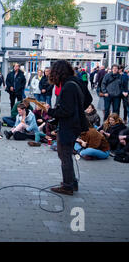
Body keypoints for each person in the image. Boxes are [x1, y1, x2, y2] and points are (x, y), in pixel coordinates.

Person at [45, 60, 92, 195]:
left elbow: (66, 111)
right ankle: (72, 182)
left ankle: (68, 186)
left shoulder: (67, 87)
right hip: (75, 124)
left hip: (69, 125)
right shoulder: (76, 81)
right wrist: (78, 109)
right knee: (66, 153)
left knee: (64, 154)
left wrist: (50, 111)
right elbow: (88, 99)